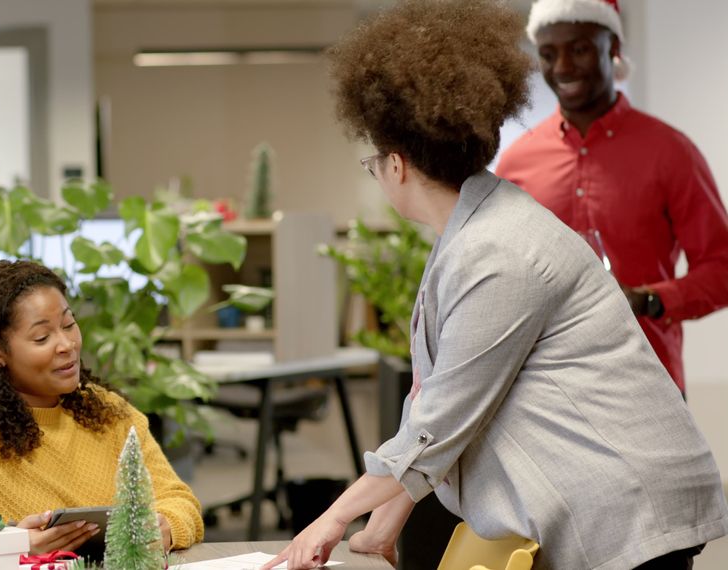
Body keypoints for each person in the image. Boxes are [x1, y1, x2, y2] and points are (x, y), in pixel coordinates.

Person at [263, 1, 728, 569]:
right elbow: (440, 401)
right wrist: (383, 521)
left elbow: (444, 418)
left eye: (372, 162)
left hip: (628, 505)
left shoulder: (499, 249)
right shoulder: (475, 229)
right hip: (601, 488)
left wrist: (331, 520)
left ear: (398, 163)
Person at [0, 260, 203, 563]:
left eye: (69, 324)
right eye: (42, 337)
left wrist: (166, 527)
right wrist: (10, 540)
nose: (67, 344)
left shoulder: (109, 413)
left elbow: (178, 499)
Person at [495, 0, 728, 395]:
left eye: (580, 49)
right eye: (548, 54)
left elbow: (721, 270)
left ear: (614, 47)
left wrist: (648, 300)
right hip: (546, 393)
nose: (563, 67)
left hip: (646, 385)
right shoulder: (517, 162)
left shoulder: (670, 151)